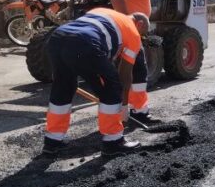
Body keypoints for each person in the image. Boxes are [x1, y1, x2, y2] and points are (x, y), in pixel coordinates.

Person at [42, 8, 149, 157]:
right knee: (113, 85)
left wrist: (100, 88)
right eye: (143, 33)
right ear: (140, 24)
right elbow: (124, 75)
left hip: (57, 37)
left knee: (63, 86)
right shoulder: (133, 32)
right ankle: (113, 141)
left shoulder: (103, 12)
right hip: (84, 42)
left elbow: (94, 67)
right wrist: (123, 106)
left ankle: (52, 141)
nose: (141, 37)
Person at [111, 0, 159, 121]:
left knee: (138, 71)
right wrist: (128, 22)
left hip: (134, 32)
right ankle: (132, 112)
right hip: (129, 32)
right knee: (134, 70)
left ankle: (138, 110)